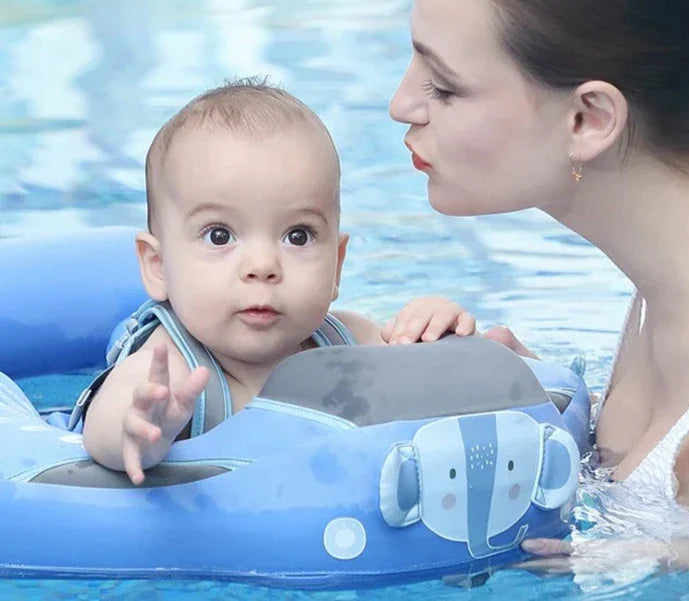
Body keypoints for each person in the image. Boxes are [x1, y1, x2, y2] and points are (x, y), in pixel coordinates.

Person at [389, 0, 689, 573]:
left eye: (445, 85)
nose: (402, 104)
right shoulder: (663, 289)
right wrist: (536, 393)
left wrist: (669, 555)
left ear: (588, 118)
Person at [82, 78, 476, 485]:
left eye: (298, 236)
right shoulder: (169, 367)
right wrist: (140, 431)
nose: (263, 265)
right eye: (219, 235)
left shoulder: (350, 340)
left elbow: (435, 387)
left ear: (337, 265)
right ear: (158, 267)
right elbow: (105, 427)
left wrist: (434, 330)